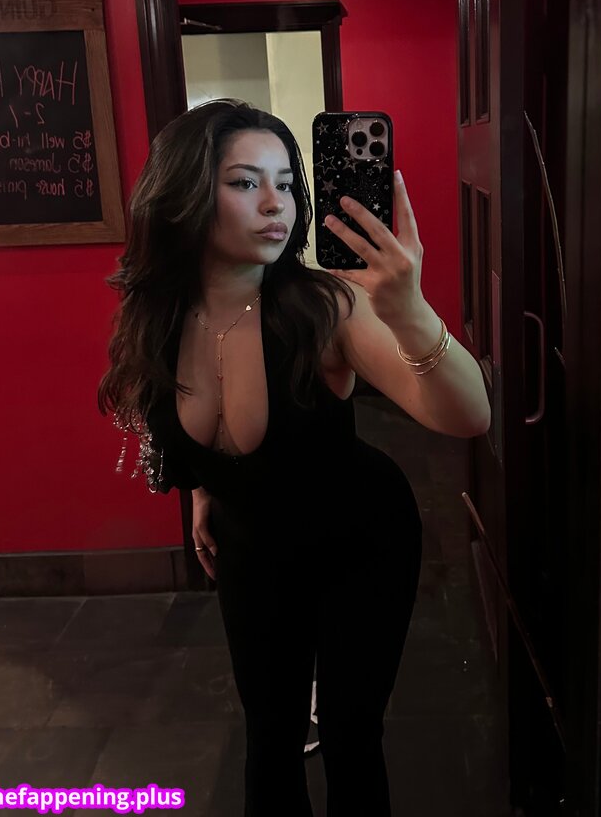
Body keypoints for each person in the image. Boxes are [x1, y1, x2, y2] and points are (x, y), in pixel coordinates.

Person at [98, 99, 491, 817]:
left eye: (285, 181)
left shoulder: (324, 307)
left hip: (360, 545)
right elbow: (183, 432)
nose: (276, 202)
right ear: (185, 193)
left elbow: (468, 416)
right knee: (268, 734)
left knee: (349, 734)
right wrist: (206, 490)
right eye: (245, 182)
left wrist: (407, 310)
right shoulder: (159, 315)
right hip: (251, 550)